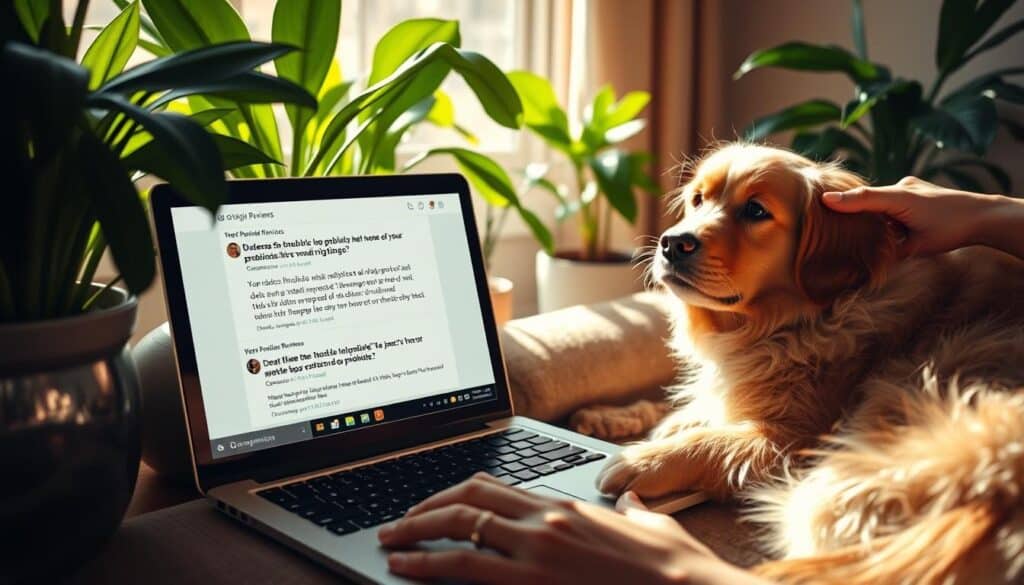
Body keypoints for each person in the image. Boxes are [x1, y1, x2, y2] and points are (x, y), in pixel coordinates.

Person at [377, 177, 1024, 585]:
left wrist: (681, 574)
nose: (683, 234)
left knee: (825, 513)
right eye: (696, 202)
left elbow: (791, 437)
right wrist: (992, 213)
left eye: (753, 212)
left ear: (822, 252)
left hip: (986, 436)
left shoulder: (868, 322)